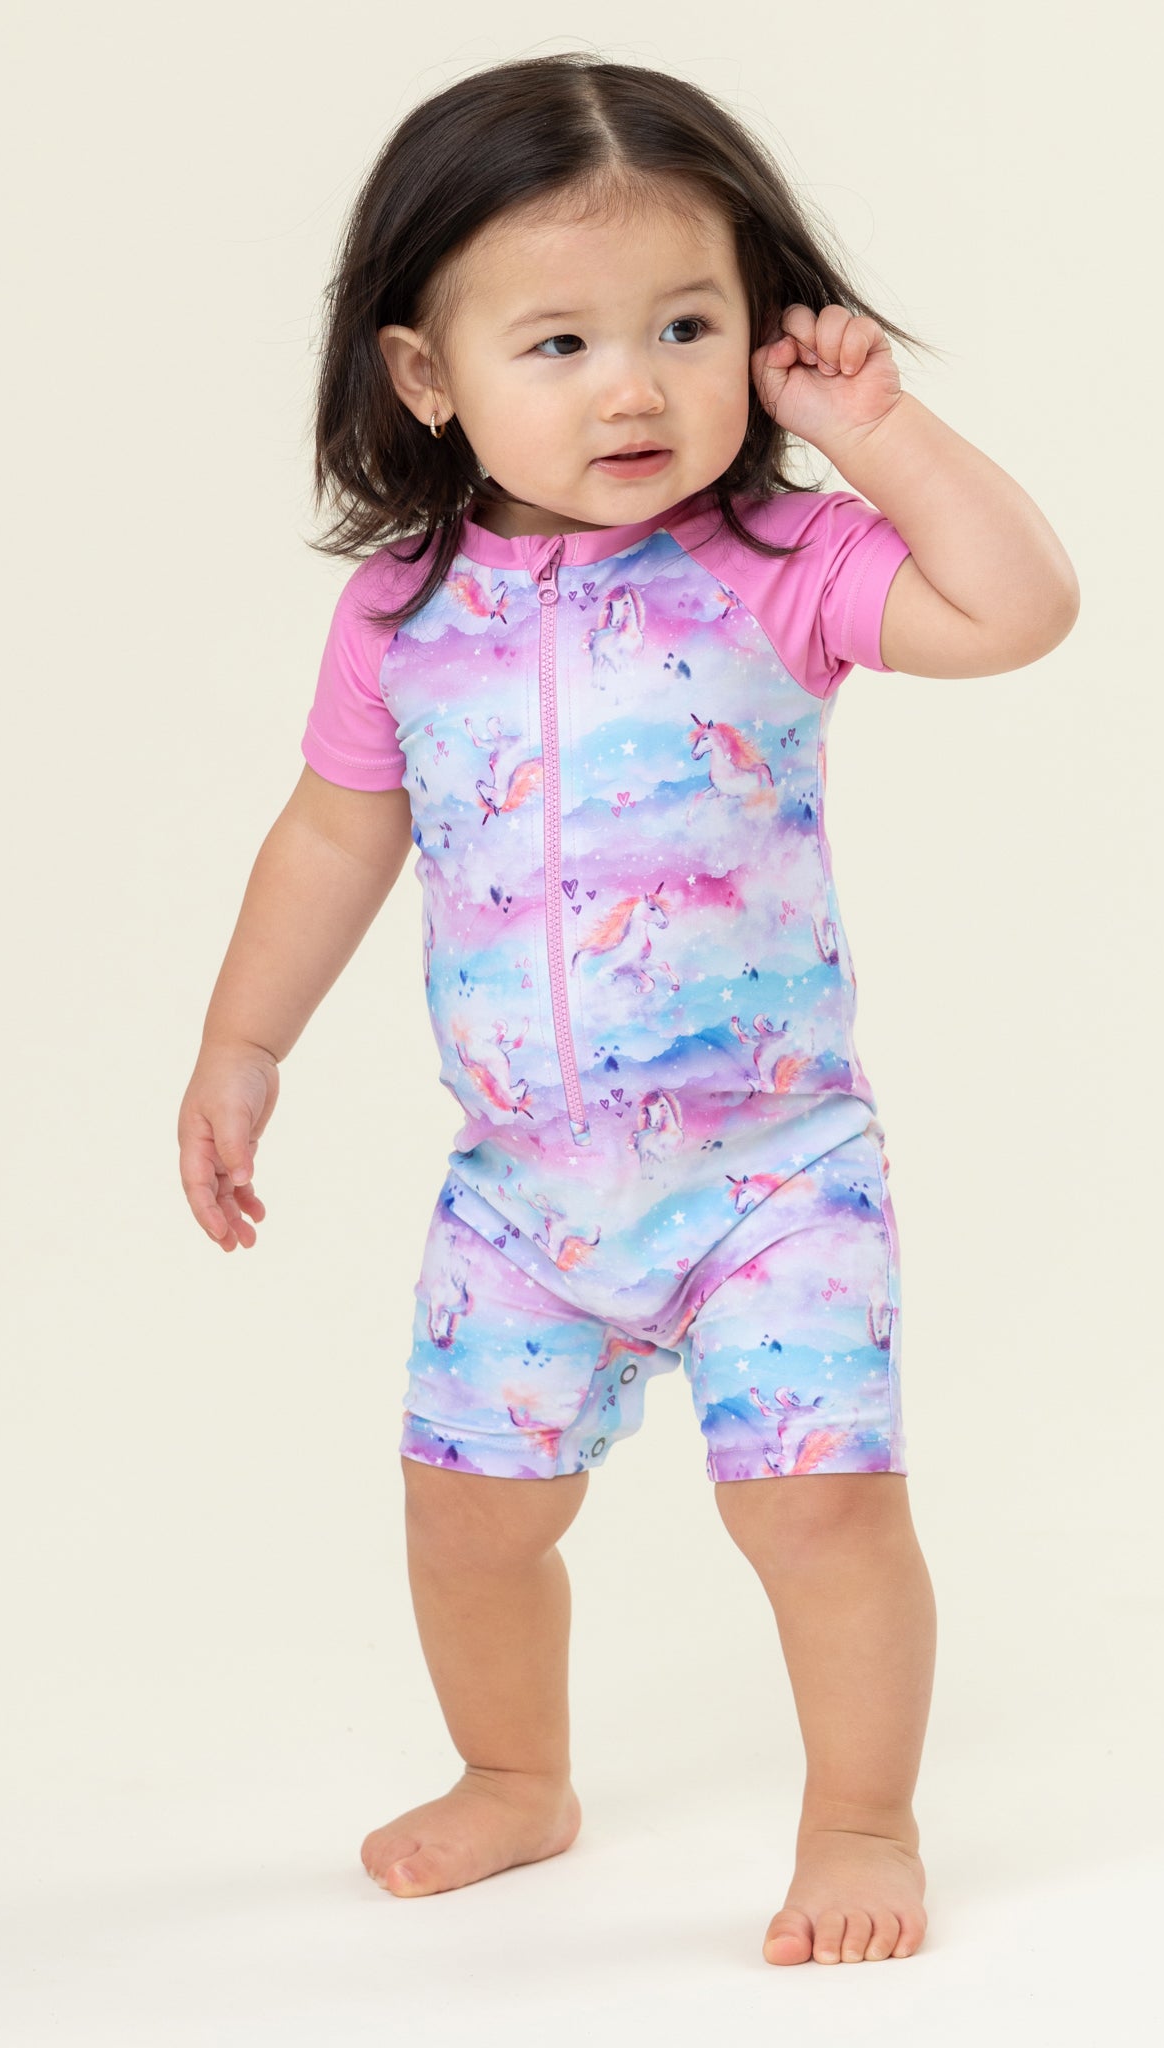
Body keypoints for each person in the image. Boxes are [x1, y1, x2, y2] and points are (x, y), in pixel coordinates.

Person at [178, 52, 1078, 1968]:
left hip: (776, 1178)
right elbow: (334, 837)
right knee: (464, 1517)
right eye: (561, 342)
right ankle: (516, 1776)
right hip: (521, 1191)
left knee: (819, 1517)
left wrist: (879, 434)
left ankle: (862, 1816)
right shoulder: (404, 613)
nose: (636, 388)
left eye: (686, 326)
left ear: (761, 328)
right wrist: (242, 1045)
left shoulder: (784, 565)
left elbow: (1018, 609)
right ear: (426, 374)